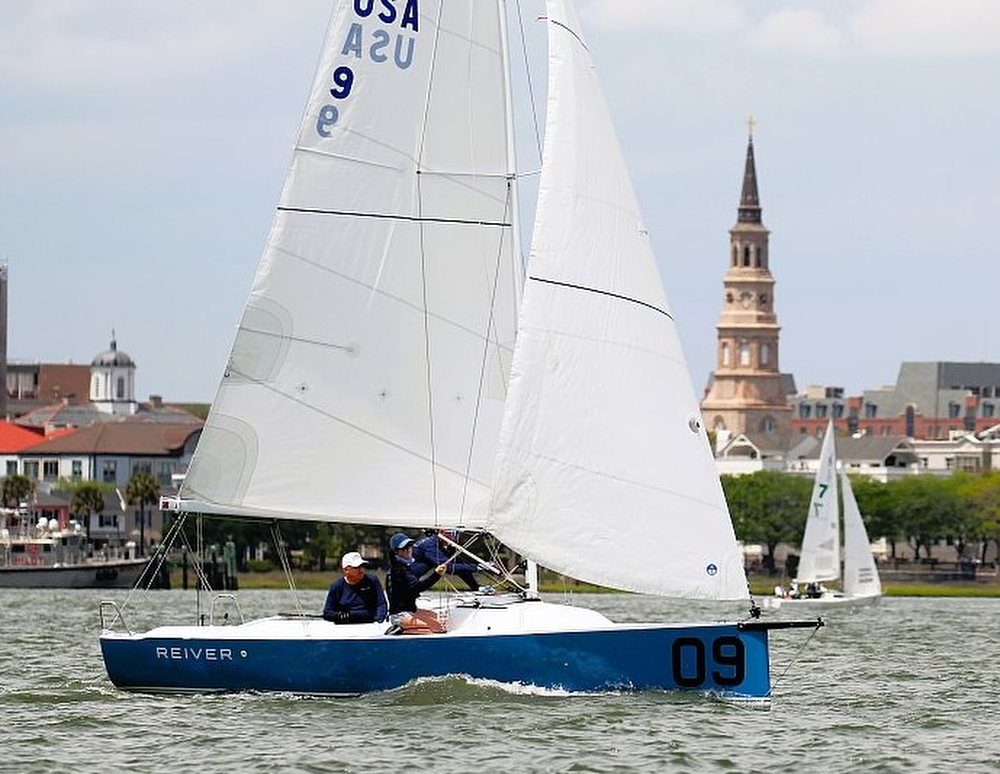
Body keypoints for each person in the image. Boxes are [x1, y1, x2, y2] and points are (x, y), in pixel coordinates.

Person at [385, 532, 447, 634]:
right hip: (400, 616)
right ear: (396, 552)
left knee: (440, 618)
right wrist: (436, 574)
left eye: (409, 546)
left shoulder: (404, 567)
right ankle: (400, 629)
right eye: (404, 548)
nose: (408, 550)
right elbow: (418, 587)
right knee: (437, 627)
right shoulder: (398, 570)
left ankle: (407, 629)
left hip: (410, 611)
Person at [323, 551, 388, 624]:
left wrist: (379, 620)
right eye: (357, 567)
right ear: (346, 570)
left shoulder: (372, 581)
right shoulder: (337, 586)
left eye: (362, 566)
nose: (361, 570)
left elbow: (381, 604)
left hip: (370, 624)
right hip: (345, 626)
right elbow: (327, 613)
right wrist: (339, 616)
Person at [411, 530, 482, 591]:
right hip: (407, 580)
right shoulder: (430, 546)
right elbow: (448, 568)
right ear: (441, 533)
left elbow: (458, 565)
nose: (450, 542)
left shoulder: (445, 544)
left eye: (453, 538)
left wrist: (476, 587)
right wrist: (477, 567)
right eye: (448, 538)